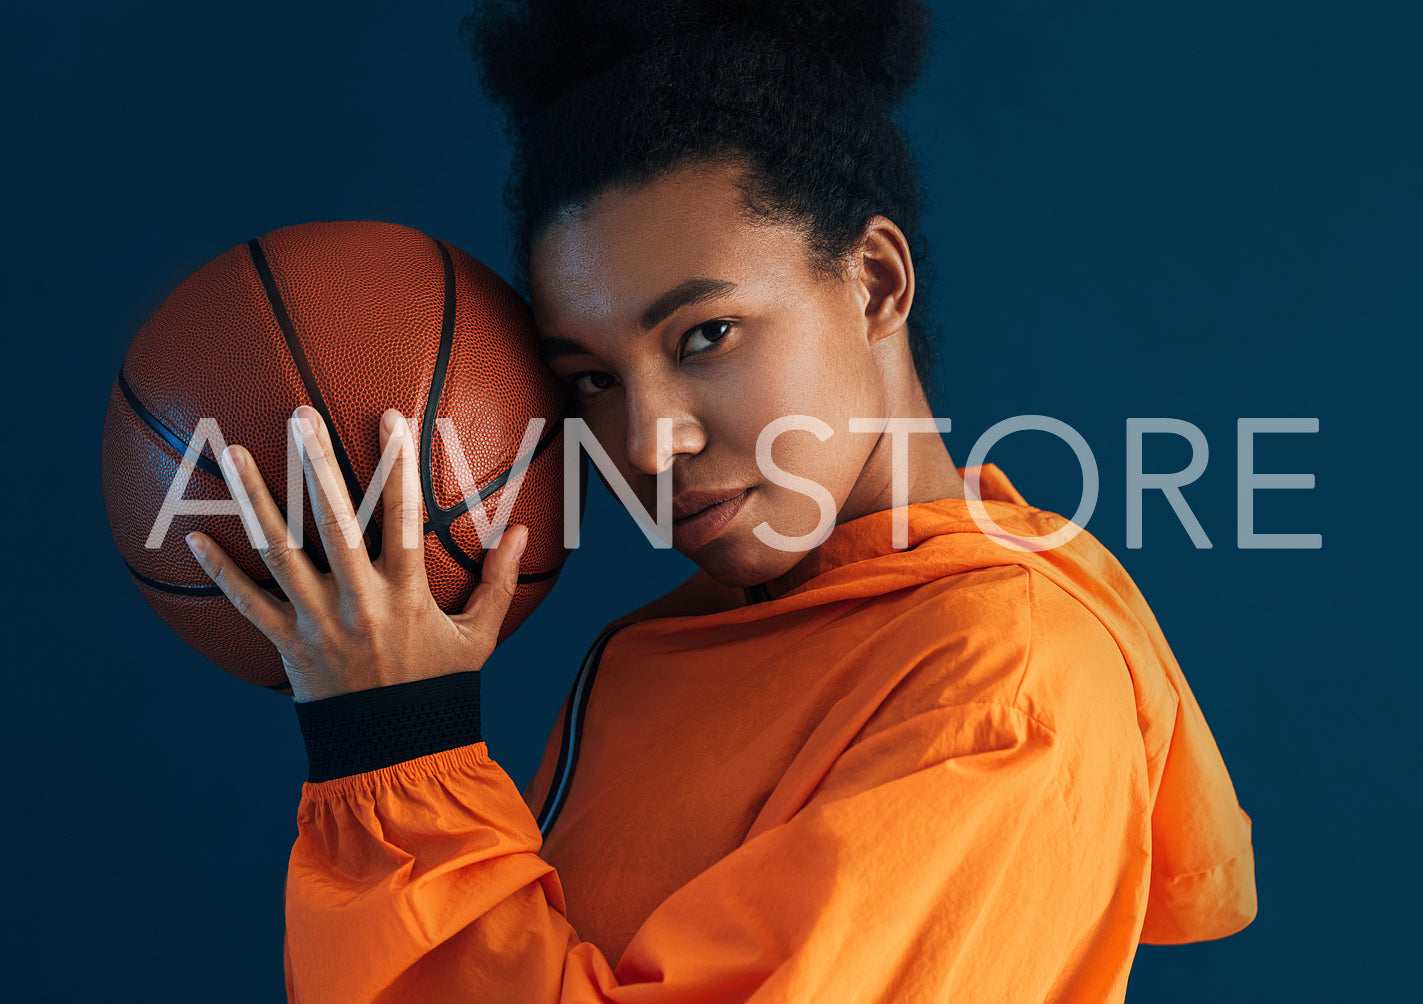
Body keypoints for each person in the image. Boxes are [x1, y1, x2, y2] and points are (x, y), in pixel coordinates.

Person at [185, 1, 1257, 1000]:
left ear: (874, 281)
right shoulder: (683, 639)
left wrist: (396, 749)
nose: (648, 442)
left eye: (705, 335)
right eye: (592, 378)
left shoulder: (1002, 680)